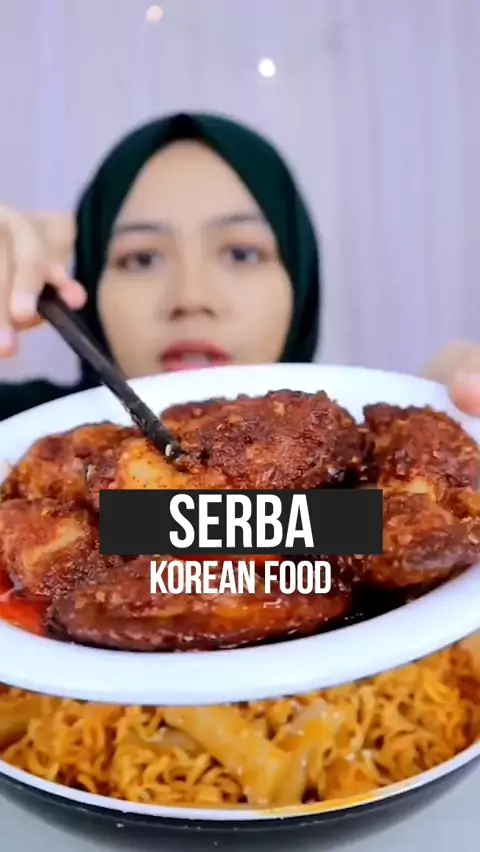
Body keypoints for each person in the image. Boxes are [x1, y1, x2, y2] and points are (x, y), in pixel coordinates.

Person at [0, 110, 478, 420]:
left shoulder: (368, 462)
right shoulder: (23, 446)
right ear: (88, 280)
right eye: (141, 258)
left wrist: (438, 415)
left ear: (300, 280)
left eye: (241, 254)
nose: (191, 298)